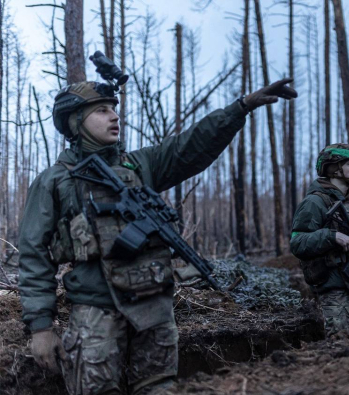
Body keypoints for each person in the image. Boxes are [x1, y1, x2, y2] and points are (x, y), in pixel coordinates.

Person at [18, 75, 297, 394]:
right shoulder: (55, 181)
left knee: (159, 388)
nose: (114, 116)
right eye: (101, 110)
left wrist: (240, 107)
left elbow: (190, 146)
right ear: (75, 121)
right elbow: (33, 256)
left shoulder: (138, 167)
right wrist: (41, 327)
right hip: (95, 315)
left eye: (114, 108)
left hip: (154, 310)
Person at [290, 142, 349, 337]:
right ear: (334, 169)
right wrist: (331, 236)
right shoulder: (315, 202)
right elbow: (297, 243)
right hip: (336, 289)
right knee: (341, 346)